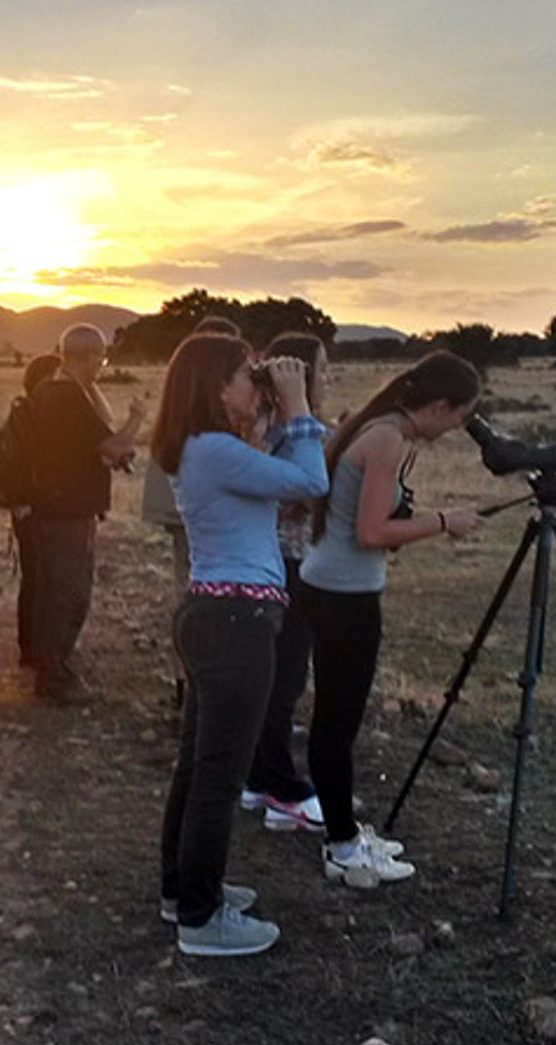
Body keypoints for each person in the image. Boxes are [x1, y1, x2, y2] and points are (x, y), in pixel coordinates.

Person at [152, 333, 328, 957]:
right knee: (218, 780)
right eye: (244, 374)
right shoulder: (215, 452)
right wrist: (298, 401)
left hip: (214, 615)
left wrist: (269, 414)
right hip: (237, 623)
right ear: (211, 384)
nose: (254, 383)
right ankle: (202, 920)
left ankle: (183, 891)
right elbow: (312, 480)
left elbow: (275, 479)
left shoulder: (205, 449)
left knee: (198, 769)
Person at [299, 351, 484, 889]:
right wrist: (445, 521)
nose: (457, 429)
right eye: (460, 416)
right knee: (337, 722)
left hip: (336, 586)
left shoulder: (377, 428)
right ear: (441, 405)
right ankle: (341, 846)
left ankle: (344, 831)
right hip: (342, 595)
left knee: (337, 718)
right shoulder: (387, 439)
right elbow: (371, 533)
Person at [239, 331, 330, 834]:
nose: (331, 379)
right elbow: (313, 493)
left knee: (277, 677)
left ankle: (255, 777)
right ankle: (280, 788)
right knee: (283, 679)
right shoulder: (283, 430)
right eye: (323, 369)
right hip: (286, 564)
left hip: (279, 562)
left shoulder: (264, 427)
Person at [25, 324, 144, 703]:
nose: (101, 366)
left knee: (52, 589)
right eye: (101, 358)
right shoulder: (68, 398)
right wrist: (137, 418)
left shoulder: (47, 391)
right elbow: (110, 447)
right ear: (89, 356)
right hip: (68, 511)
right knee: (69, 592)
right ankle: (54, 677)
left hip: (50, 507)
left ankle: (49, 664)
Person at [140, 315, 242, 706]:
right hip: (201, 517)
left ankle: (186, 681)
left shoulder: (178, 399)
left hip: (180, 516)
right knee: (201, 597)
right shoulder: (203, 410)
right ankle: (198, 682)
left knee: (186, 591)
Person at [12, 352, 63, 668]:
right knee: (44, 579)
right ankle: (39, 649)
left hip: (27, 508)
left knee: (34, 578)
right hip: (36, 508)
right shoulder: (43, 414)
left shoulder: (25, 409)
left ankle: (29, 646)